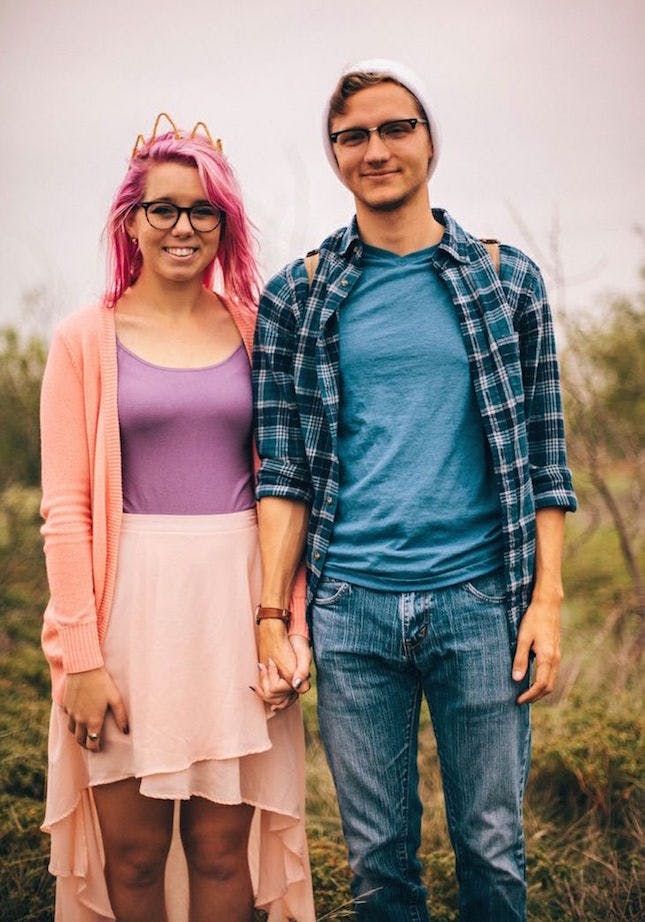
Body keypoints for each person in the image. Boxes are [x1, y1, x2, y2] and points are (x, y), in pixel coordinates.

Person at [252, 60, 577, 921]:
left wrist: (545, 602)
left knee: (493, 853)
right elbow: (280, 474)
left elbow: (546, 457)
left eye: (396, 128)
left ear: (429, 141)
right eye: (352, 136)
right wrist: (271, 616)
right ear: (333, 155)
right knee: (381, 870)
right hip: (350, 609)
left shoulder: (506, 282)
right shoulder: (297, 296)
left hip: (480, 606)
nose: (376, 149)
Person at [39, 113, 315, 922]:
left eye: (204, 211)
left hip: (233, 607)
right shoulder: (84, 339)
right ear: (131, 220)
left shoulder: (257, 331)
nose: (183, 227)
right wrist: (81, 658)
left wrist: (288, 624)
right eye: (164, 208)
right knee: (132, 855)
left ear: (224, 224)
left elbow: (288, 490)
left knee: (223, 853)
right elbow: (65, 510)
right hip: (127, 615)